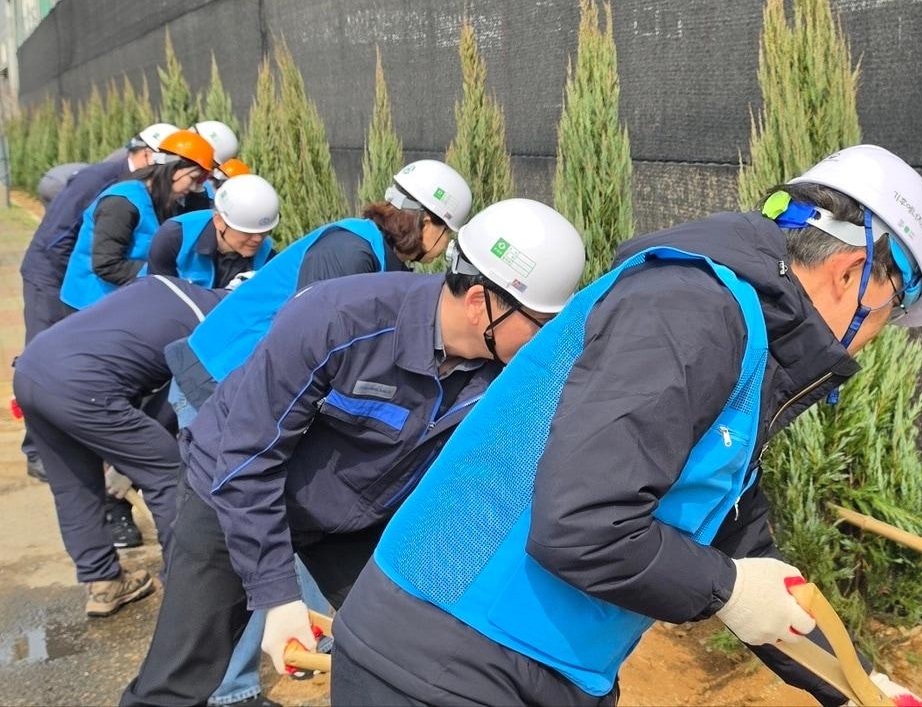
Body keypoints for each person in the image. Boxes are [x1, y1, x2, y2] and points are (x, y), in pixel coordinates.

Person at [331, 145, 922, 706]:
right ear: (852, 273)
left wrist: (858, 683)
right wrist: (724, 588)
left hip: (527, 665)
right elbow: (582, 526)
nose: (872, 340)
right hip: (440, 663)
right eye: (891, 313)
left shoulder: (746, 341)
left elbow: (733, 538)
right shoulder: (690, 312)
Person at [120, 199, 587, 706]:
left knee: (396, 644)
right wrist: (277, 596)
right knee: (182, 675)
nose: (549, 341)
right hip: (232, 491)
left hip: (352, 516)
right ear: (480, 302)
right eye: (542, 323)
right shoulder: (340, 321)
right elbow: (248, 459)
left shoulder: (504, 373)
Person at [163, 159, 473, 418]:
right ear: (426, 222)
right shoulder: (349, 251)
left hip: (236, 379)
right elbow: (310, 343)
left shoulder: (374, 255)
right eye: (447, 233)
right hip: (216, 374)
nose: (445, 245)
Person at [12, 275, 227, 618]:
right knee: (172, 475)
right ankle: (187, 592)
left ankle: (103, 583)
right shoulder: (211, 328)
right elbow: (175, 404)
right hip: (84, 388)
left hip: (32, 369)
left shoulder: (161, 284)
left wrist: (126, 461)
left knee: (74, 485)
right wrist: (132, 460)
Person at [16, 121, 177, 529]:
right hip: (53, 275)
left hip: (98, 288)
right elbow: (58, 236)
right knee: (50, 362)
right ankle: (40, 451)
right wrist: (62, 293)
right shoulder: (103, 182)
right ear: (144, 155)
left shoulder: (151, 192)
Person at [58, 129, 216, 312]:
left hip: (127, 302)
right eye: (194, 179)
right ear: (172, 169)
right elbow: (107, 265)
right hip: (89, 305)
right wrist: (166, 275)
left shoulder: (168, 201)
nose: (195, 188)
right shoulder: (122, 203)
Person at [146, 174, 280, 289]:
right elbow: (157, 295)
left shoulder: (267, 258)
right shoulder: (175, 237)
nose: (258, 239)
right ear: (219, 221)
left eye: (264, 231)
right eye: (247, 232)